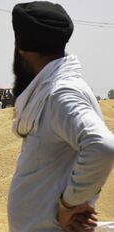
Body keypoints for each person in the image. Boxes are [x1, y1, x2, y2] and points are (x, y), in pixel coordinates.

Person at [8, 2, 114, 232]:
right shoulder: (50, 91)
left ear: (23, 49)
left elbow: (102, 146)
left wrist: (69, 205)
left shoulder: (60, 94)